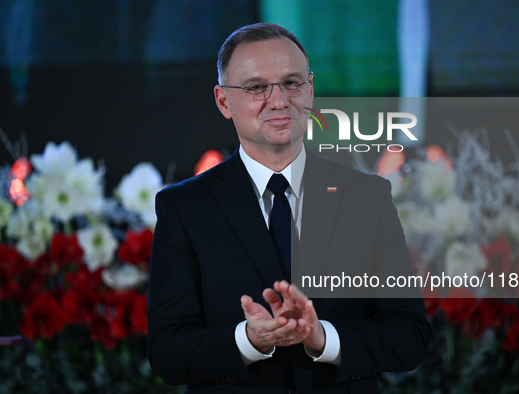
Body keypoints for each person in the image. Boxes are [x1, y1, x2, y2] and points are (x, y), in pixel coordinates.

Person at [147, 23, 430, 394]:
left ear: (310, 90)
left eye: (292, 83)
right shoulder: (184, 208)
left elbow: (409, 335)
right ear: (223, 101)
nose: (279, 101)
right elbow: (168, 351)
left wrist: (322, 338)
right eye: (256, 87)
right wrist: (250, 340)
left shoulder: (367, 197)